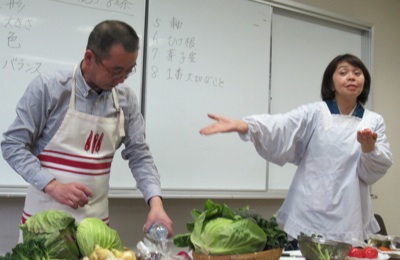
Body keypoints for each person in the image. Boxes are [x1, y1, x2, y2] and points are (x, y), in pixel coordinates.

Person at [1, 20, 172, 238]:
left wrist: (155, 204)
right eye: (116, 71)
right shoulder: (50, 88)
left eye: (128, 72)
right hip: (44, 227)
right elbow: (12, 145)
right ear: (90, 58)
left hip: (95, 230)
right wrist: (53, 186)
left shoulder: (125, 100)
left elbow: (139, 155)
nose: (121, 80)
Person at [199, 54, 392, 245]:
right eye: (343, 72)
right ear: (331, 84)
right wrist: (246, 125)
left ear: (364, 83)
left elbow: (371, 173)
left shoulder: (373, 121)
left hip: (351, 214)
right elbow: (282, 125)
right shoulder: (315, 113)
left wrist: (369, 149)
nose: (351, 77)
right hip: (309, 212)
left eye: (357, 73)